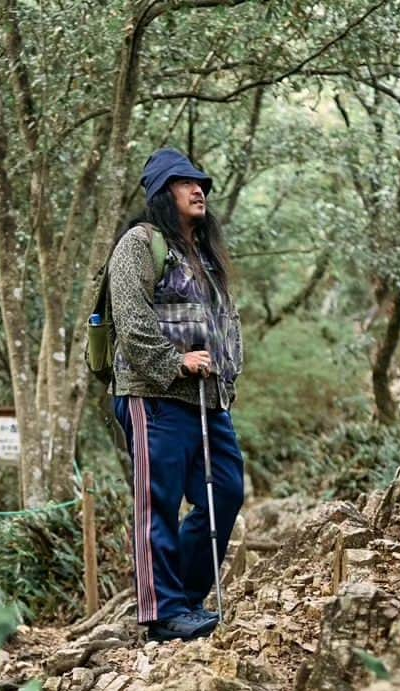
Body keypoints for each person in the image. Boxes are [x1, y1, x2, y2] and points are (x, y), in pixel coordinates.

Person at [109, 147, 245, 643]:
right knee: (157, 502)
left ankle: (184, 597)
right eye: (185, 183)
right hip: (154, 394)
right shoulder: (139, 245)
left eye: (202, 184)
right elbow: (130, 317)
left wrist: (226, 376)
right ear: (162, 193)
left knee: (226, 490)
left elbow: (225, 322)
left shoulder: (206, 257)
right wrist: (174, 363)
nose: (198, 190)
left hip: (209, 400)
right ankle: (163, 612)